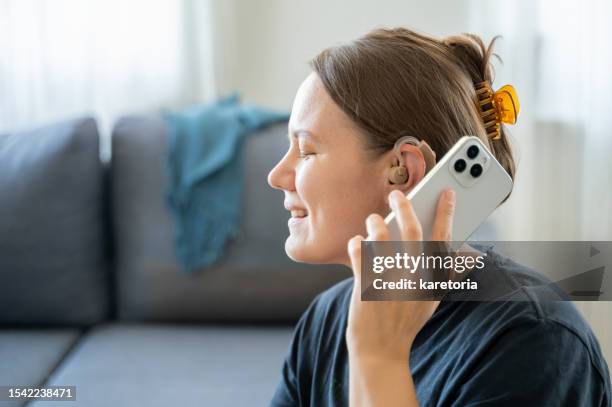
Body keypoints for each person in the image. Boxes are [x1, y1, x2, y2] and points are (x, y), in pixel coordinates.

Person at [267, 27, 611, 406]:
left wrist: (379, 357)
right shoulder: (326, 320)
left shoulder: (535, 342)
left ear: (403, 171)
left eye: (306, 150)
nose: (277, 176)